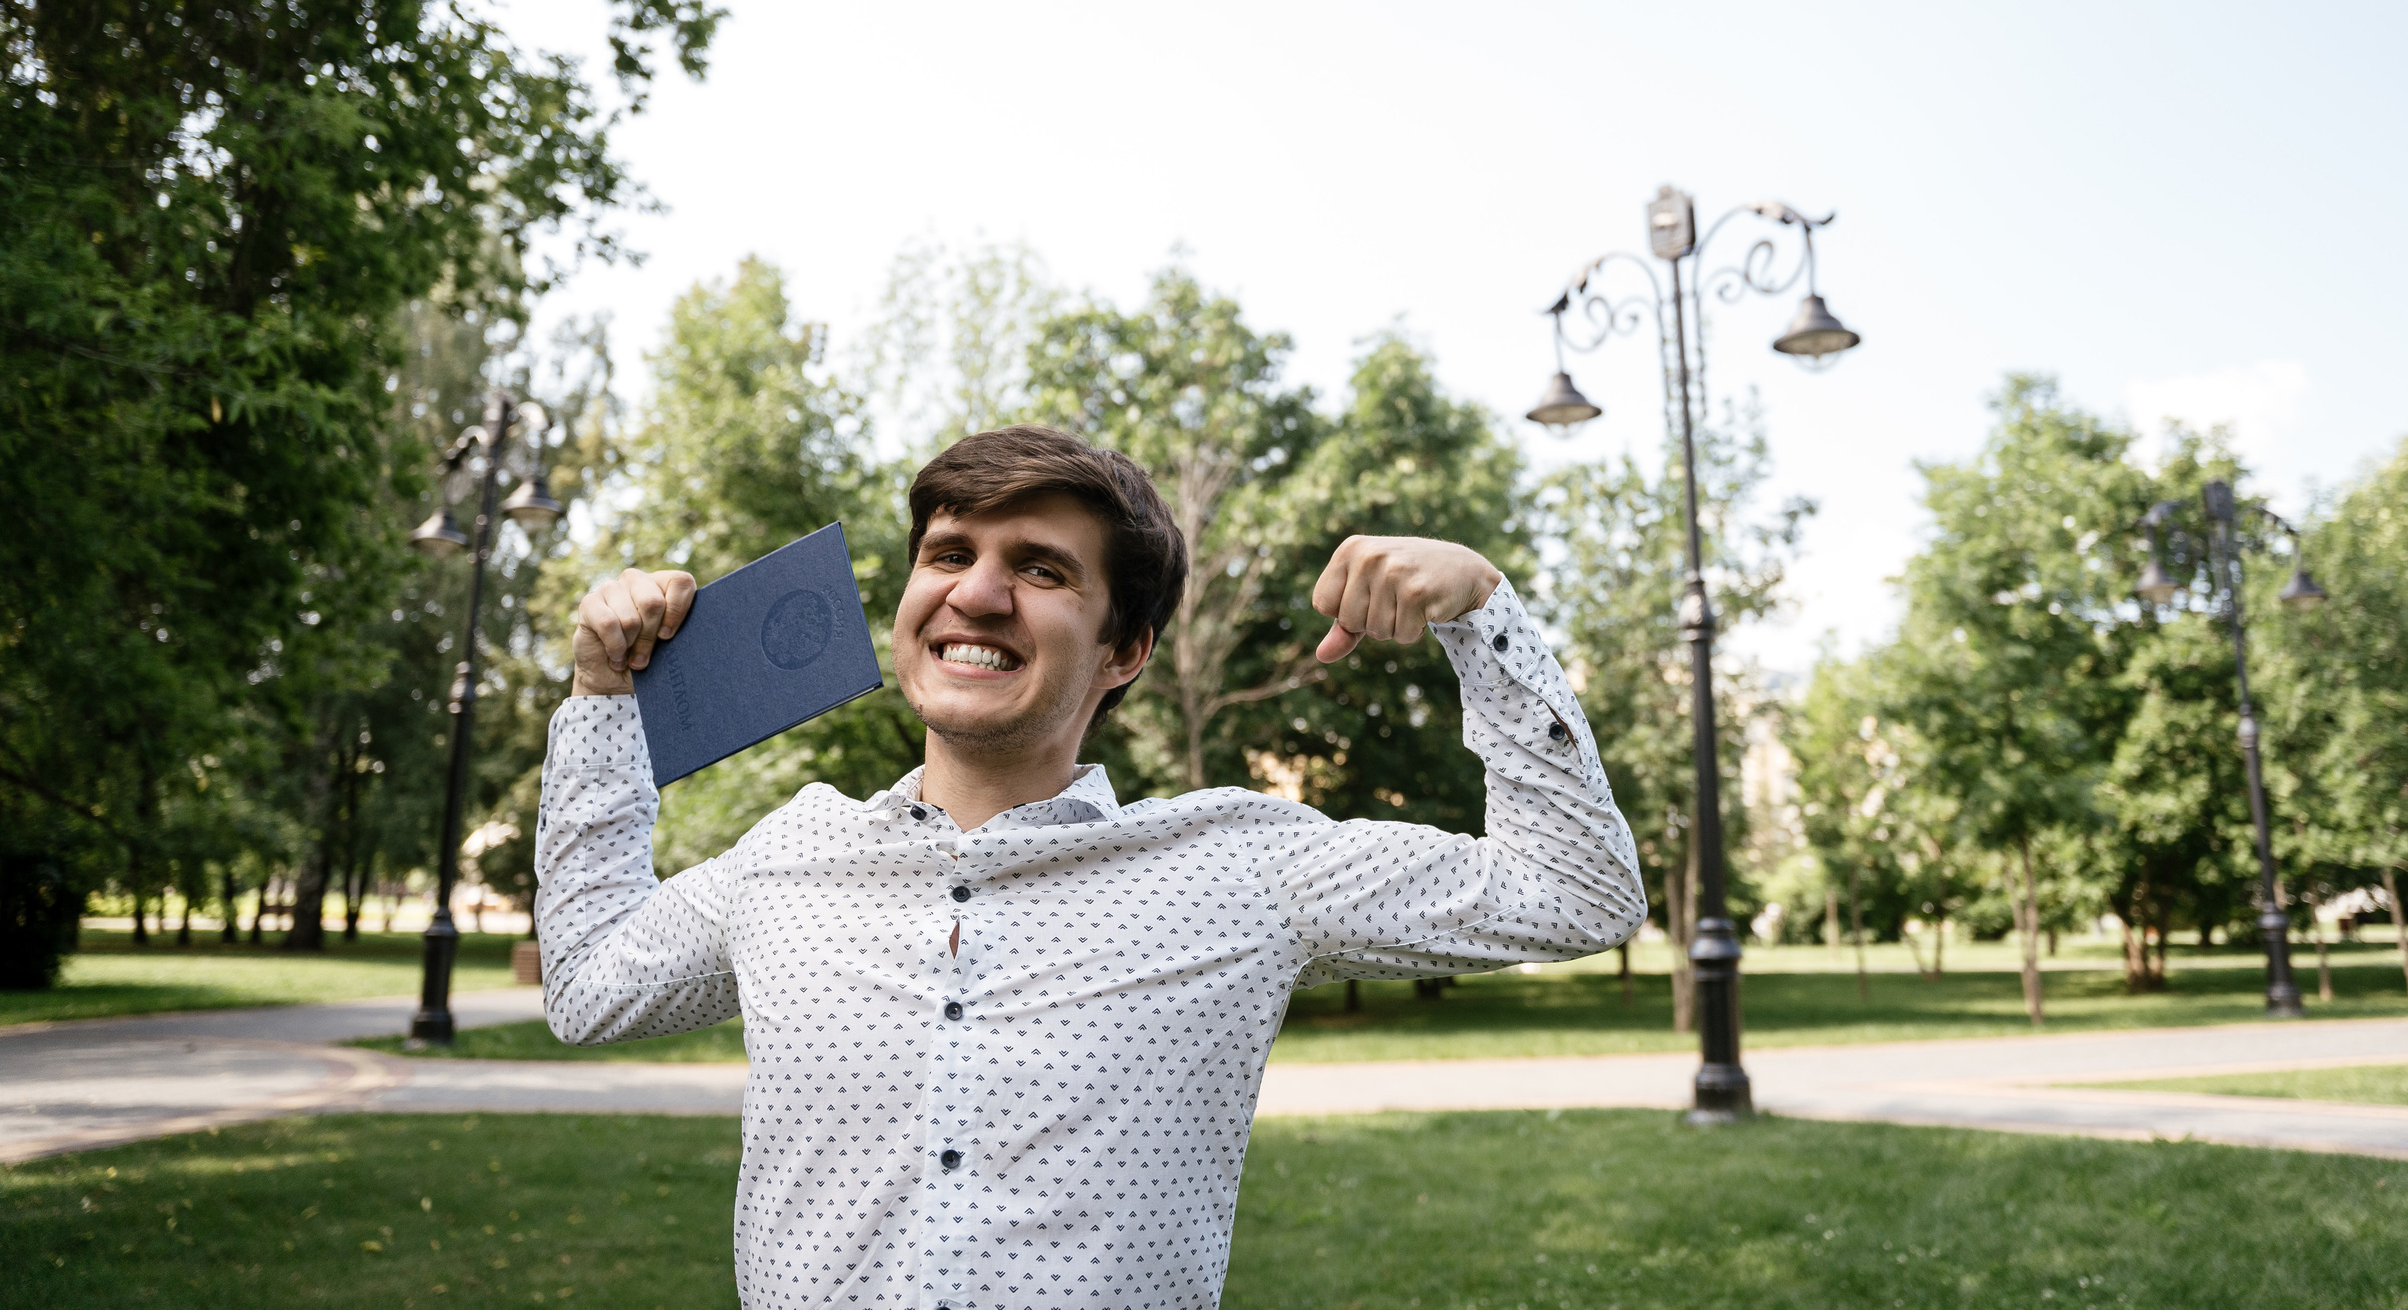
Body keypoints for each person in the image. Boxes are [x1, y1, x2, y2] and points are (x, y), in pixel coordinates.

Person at [537, 423, 1644, 1310]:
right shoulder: (788, 860)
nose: (977, 594)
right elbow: (586, 988)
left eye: (1040, 569)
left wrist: (1483, 615)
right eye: (949, 554)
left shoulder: (1243, 869)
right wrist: (601, 699)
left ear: (1124, 649)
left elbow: (1577, 892)